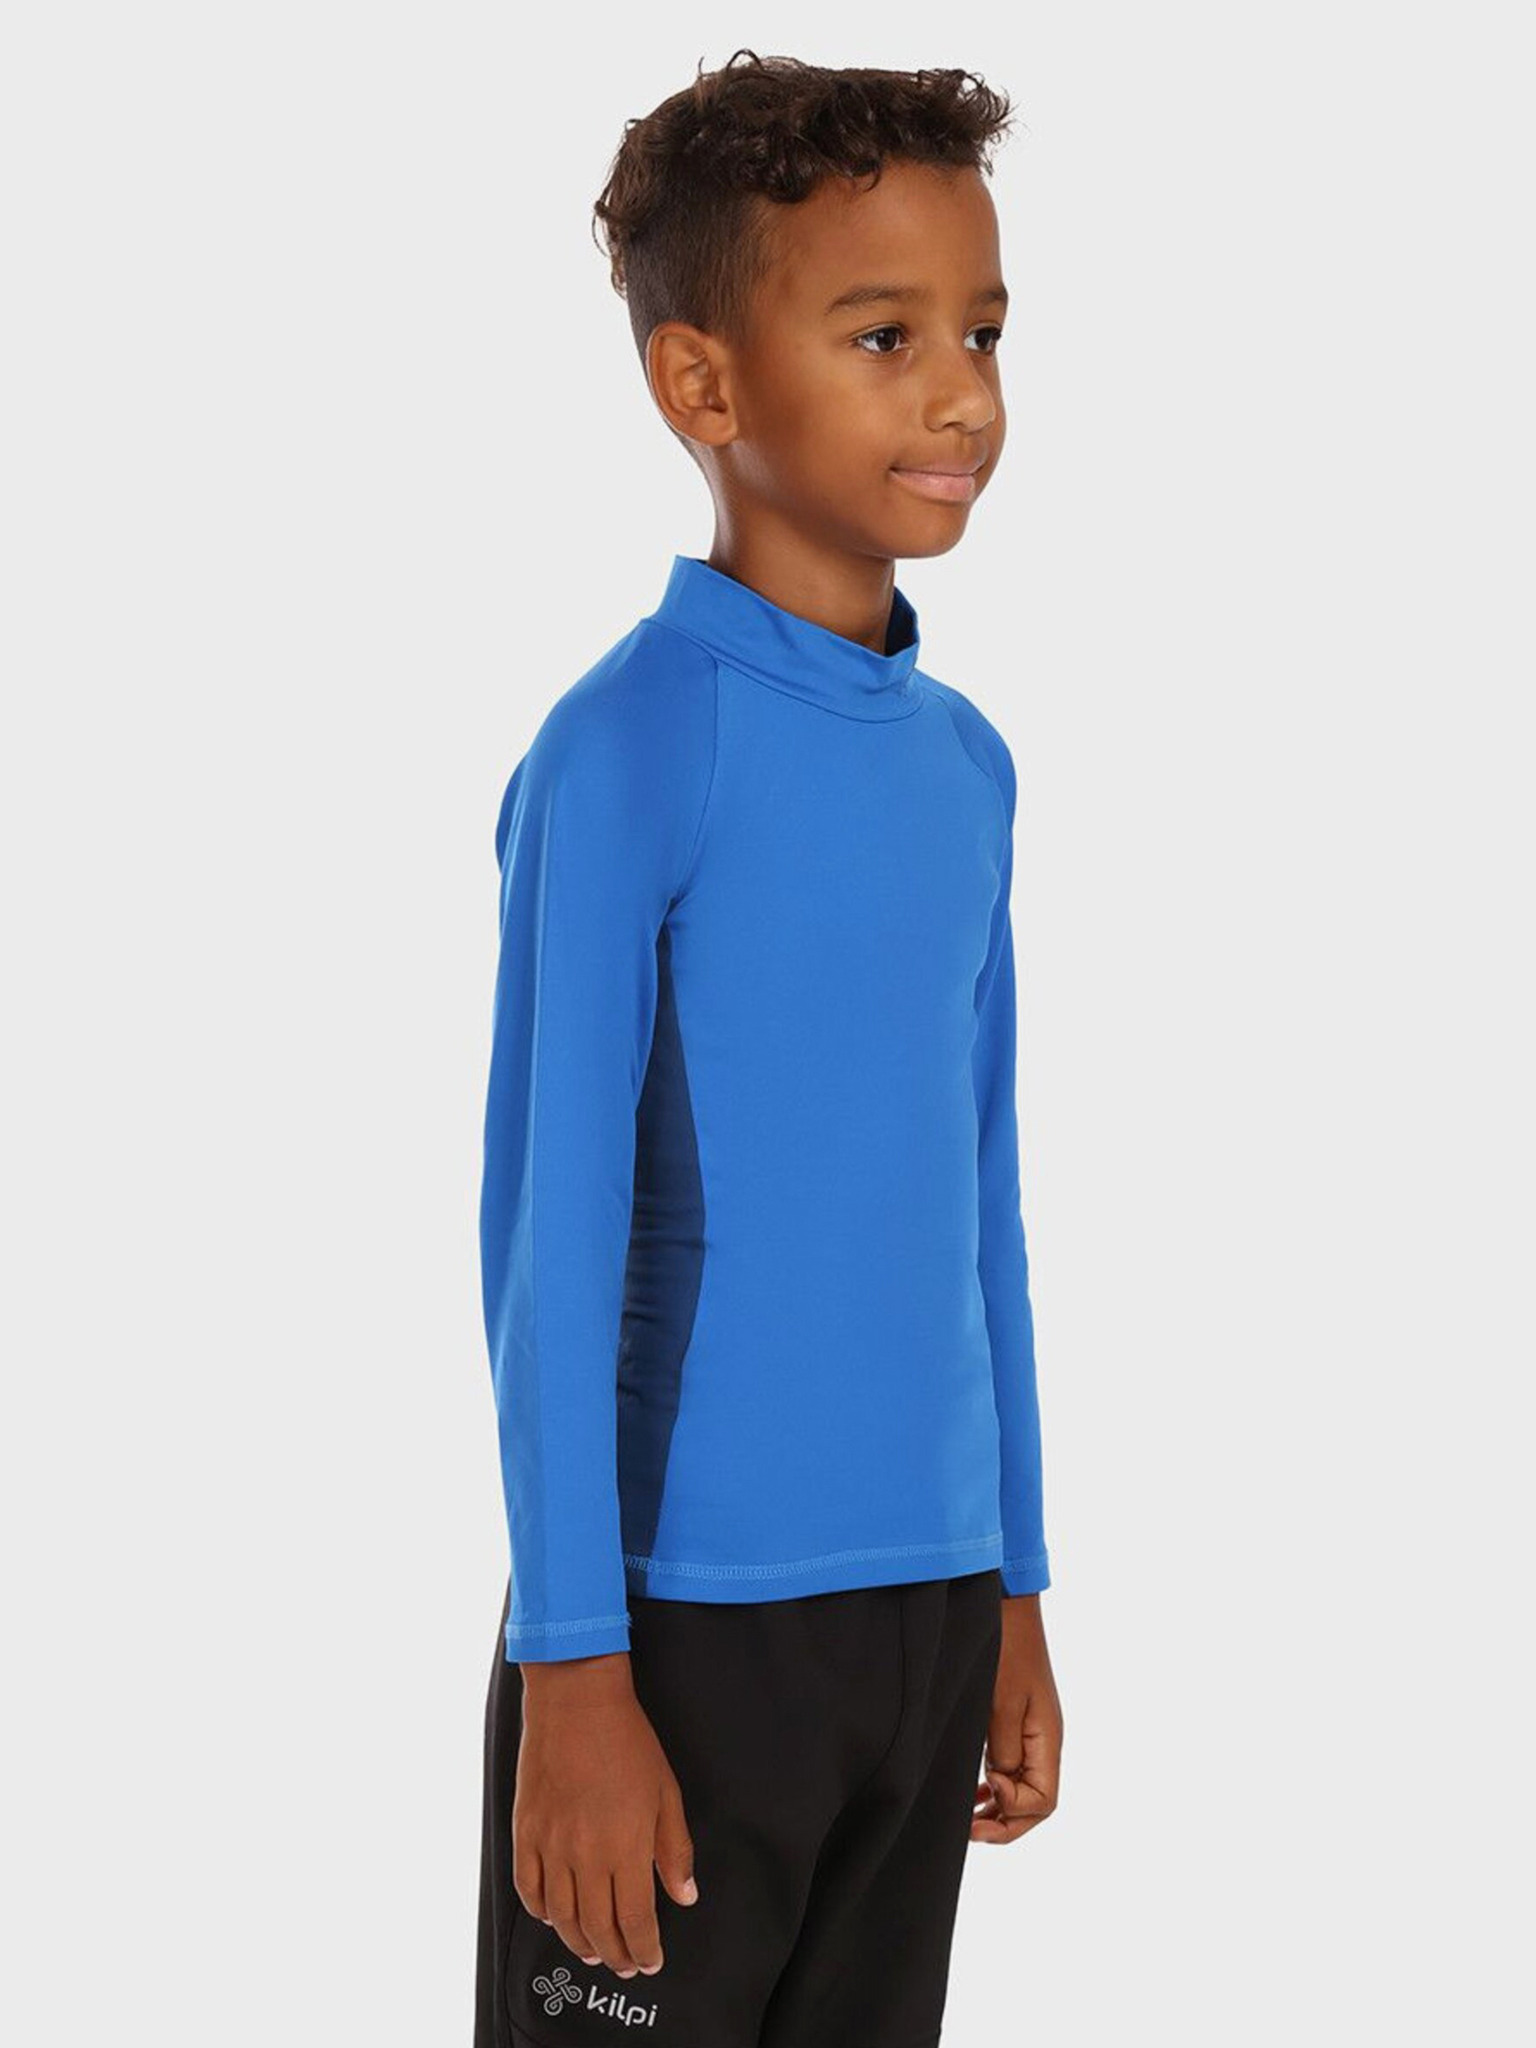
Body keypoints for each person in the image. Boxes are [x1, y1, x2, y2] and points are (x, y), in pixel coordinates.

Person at [474, 50, 1064, 2048]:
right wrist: (574, 1667)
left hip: (925, 1614)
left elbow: (978, 1196)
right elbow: (549, 1239)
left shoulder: (967, 769)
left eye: (983, 331)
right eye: (886, 337)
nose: (962, 396)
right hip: (682, 1633)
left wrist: (1012, 1584)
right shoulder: (633, 745)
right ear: (704, 386)